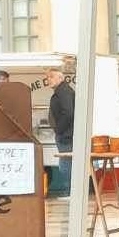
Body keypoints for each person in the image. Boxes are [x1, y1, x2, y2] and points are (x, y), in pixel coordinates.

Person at [45, 66, 74, 197]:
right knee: (66, 164)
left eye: (51, 76)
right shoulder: (62, 91)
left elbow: (68, 112)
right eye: (47, 77)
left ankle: (70, 192)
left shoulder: (64, 92)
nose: (48, 79)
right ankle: (71, 192)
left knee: (66, 165)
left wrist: (59, 129)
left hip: (66, 135)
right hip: (66, 134)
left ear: (60, 78)